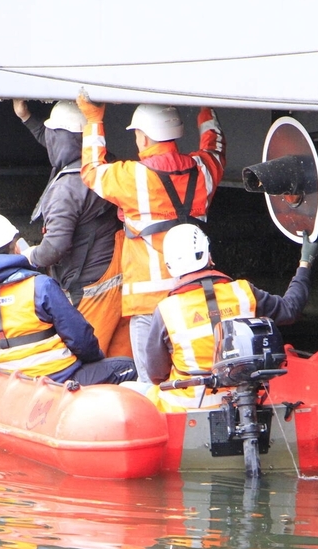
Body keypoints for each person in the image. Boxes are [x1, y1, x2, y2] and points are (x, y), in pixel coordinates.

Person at [76, 90, 226, 383]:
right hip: (196, 297)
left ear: (143, 138)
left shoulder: (132, 177)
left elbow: (92, 170)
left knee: (152, 384)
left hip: (148, 305)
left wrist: (94, 120)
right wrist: (206, 108)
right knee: (200, 374)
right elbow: (216, 148)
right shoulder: (204, 171)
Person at [143, 223, 318, 411]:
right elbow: (290, 309)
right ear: (208, 254)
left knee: (137, 389)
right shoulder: (243, 292)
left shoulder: (166, 310)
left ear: (170, 265)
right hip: (243, 407)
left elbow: (156, 374)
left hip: (186, 414)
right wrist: (305, 263)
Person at [12, 99, 131, 357]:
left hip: (89, 290)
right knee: (123, 360)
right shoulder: (105, 167)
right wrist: (26, 118)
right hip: (117, 281)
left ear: (59, 137)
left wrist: (30, 255)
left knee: (89, 359)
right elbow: (63, 145)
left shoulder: (65, 191)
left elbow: (55, 247)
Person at [0, 212, 137, 386]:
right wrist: (96, 361)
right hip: (61, 379)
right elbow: (80, 338)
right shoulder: (40, 286)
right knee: (130, 367)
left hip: (13, 386)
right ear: (16, 247)